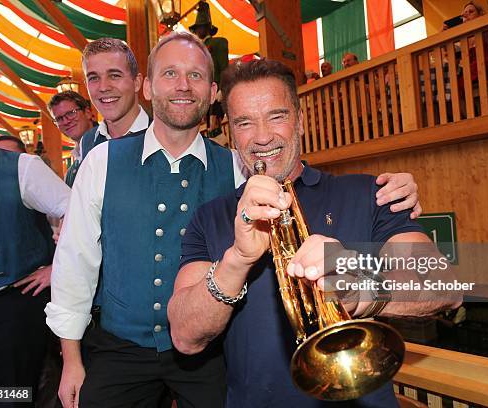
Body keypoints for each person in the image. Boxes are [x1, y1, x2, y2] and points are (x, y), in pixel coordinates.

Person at [46, 32, 422, 408]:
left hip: (212, 364)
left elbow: (446, 278)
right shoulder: (104, 161)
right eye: (244, 122)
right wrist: (71, 359)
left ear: (211, 94)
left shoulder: (239, 168)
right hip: (122, 351)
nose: (260, 136)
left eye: (194, 75)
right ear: (147, 86)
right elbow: (75, 264)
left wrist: (382, 203)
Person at [167, 59, 462, 407]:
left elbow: (445, 287)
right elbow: (185, 337)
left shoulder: (368, 193)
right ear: (232, 135)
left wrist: (361, 289)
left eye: (277, 116)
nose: (262, 137)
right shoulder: (210, 217)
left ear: (301, 120)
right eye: (245, 122)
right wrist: (237, 260)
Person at [0, 86, 70, 405]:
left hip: (9, 310)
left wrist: (58, 267)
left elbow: (79, 212)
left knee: (8, 398)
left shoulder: (23, 167)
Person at [79, 37, 150, 161]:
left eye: (114, 75)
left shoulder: (164, 137)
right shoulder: (87, 142)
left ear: (137, 82)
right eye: (94, 78)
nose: (103, 87)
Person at [190, 0, 229, 139]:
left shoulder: (218, 43)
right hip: (203, 94)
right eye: (197, 28)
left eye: (201, 27)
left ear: (208, 27)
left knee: (215, 127)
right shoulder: (195, 49)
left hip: (216, 90)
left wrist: (222, 88)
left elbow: (224, 66)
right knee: (205, 129)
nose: (199, 30)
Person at [48, 91, 95, 186]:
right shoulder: (70, 173)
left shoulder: (109, 143)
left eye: (70, 113)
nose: (66, 121)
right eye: (59, 119)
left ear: (87, 113)